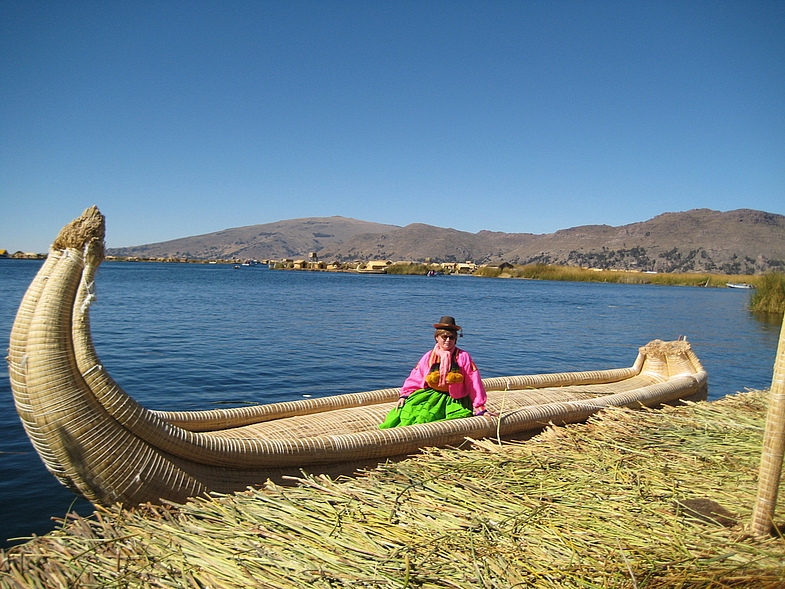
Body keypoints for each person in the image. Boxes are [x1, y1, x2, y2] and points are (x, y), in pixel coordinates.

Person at [379, 316, 488, 428]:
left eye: (451, 338)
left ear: (455, 339)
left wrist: (479, 406)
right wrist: (404, 395)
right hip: (432, 395)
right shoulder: (429, 356)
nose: (447, 340)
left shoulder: (463, 357)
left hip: (455, 399)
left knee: (450, 423)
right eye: (444, 337)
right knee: (411, 415)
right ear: (437, 337)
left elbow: (473, 382)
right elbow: (416, 376)